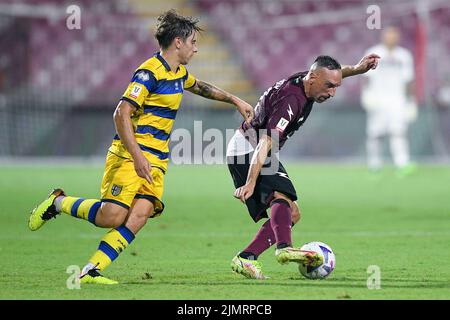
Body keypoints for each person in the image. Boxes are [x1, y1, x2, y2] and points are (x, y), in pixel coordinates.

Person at [28, 10, 254, 285]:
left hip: (157, 159)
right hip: (130, 156)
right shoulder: (149, 73)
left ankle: (90, 271)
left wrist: (234, 100)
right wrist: (137, 157)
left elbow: (201, 87)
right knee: (111, 216)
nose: (196, 48)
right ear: (178, 42)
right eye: (193, 42)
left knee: (140, 214)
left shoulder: (179, 73)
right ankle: (58, 202)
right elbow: (120, 114)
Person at [227, 54, 379, 279]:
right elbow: (265, 141)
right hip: (249, 151)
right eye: (328, 86)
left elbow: (335, 74)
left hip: (252, 150)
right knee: (281, 196)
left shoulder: (307, 81)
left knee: (292, 214)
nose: (332, 92)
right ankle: (284, 249)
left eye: (336, 87)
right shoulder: (292, 101)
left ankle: (246, 258)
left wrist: (356, 69)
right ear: (313, 78)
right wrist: (250, 181)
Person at [361, 26, 417, 176]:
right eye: (388, 35)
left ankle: (402, 163)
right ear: (383, 36)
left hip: (397, 100)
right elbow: (365, 76)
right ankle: (374, 165)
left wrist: (411, 101)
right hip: (377, 99)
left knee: (398, 132)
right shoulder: (373, 53)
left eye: (394, 35)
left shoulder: (404, 56)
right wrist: (366, 95)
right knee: (375, 134)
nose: (391, 38)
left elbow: (409, 80)